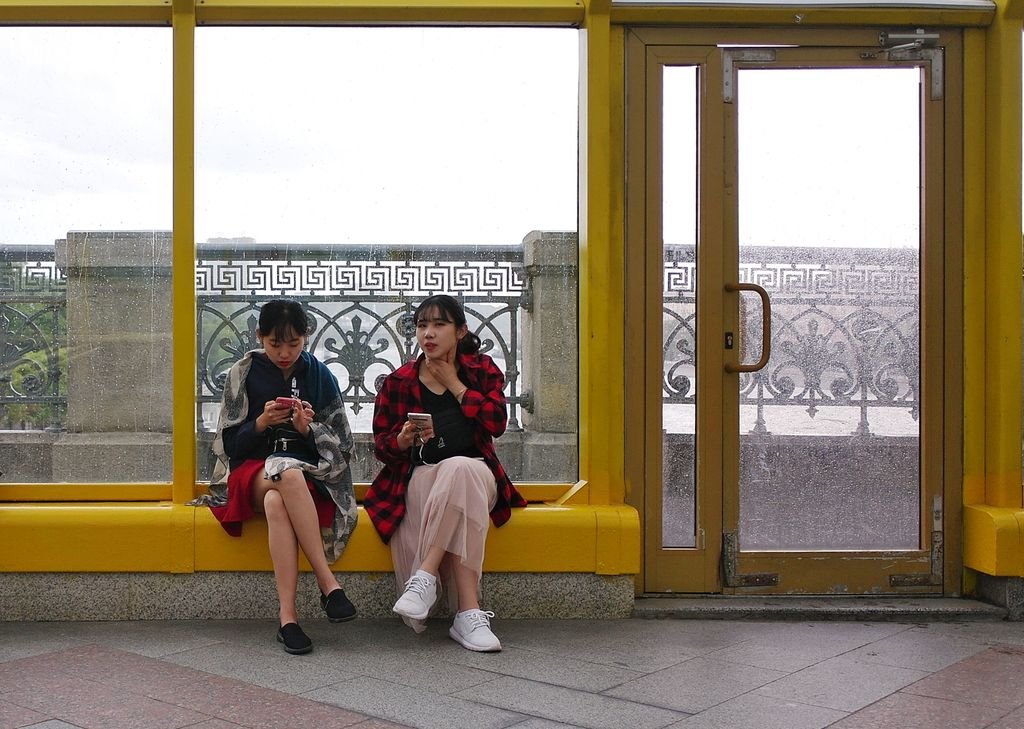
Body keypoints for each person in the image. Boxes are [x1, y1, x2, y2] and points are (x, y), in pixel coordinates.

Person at [191, 299, 359, 655]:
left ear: (306, 337)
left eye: (294, 344)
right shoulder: (243, 372)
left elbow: (342, 446)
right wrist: (260, 423)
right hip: (251, 473)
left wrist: (308, 429)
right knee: (286, 474)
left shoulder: (320, 375)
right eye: (275, 344)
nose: (284, 353)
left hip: (302, 480)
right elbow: (228, 445)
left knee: (277, 500)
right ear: (259, 337)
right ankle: (328, 584)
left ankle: (288, 619)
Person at [364, 294, 526, 652]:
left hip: (478, 474)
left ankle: (424, 576)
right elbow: (382, 446)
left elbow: (497, 423)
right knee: (456, 474)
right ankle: (469, 613)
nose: (429, 333)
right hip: (422, 477)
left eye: (439, 325)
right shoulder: (399, 381)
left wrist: (455, 384)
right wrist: (402, 440)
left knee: (461, 467)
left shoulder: (481, 370)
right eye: (422, 325)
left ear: (460, 331)